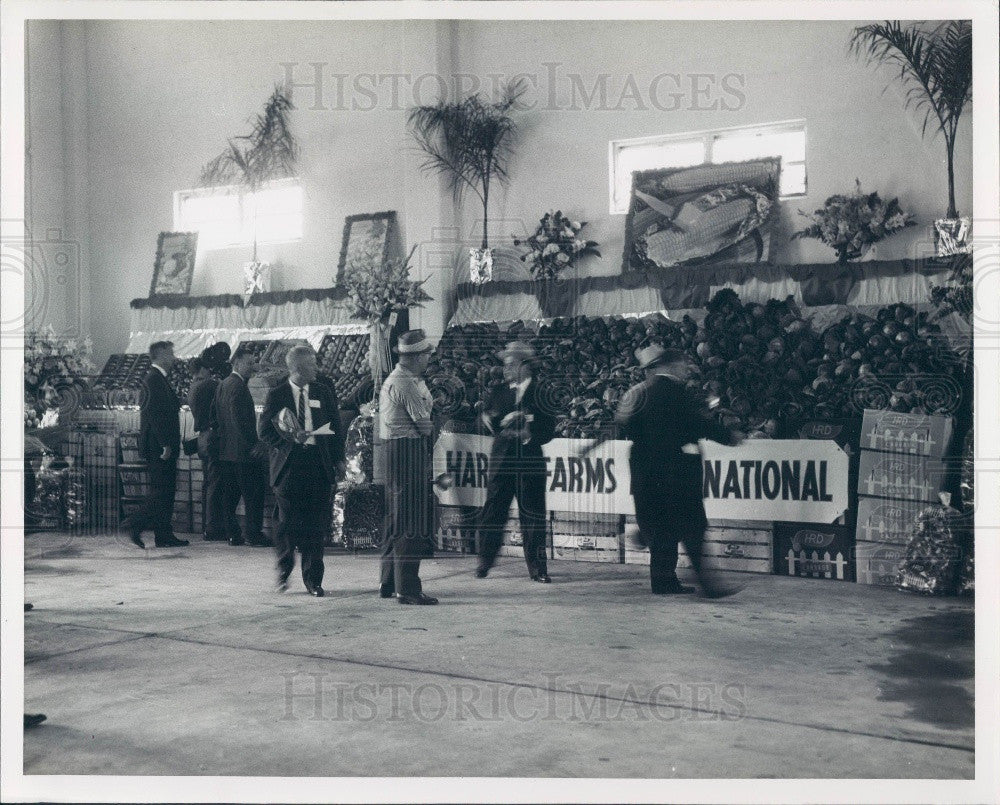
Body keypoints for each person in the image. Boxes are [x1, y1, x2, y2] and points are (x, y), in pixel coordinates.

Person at [585, 345, 742, 597]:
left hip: (644, 471)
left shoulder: (636, 394)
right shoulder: (676, 392)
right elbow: (697, 424)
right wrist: (728, 436)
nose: (685, 368)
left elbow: (617, 427)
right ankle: (707, 585)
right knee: (692, 525)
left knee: (661, 530)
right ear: (667, 366)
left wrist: (590, 448)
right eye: (681, 364)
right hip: (675, 472)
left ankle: (663, 581)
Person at [259, 345, 345, 596]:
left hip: (317, 466)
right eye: (312, 364)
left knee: (316, 526)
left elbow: (335, 429)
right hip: (289, 468)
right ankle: (284, 568)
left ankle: (313, 580)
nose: (317, 367)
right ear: (297, 368)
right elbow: (264, 431)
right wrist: (289, 440)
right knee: (287, 524)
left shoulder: (323, 392)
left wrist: (338, 460)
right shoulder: (277, 395)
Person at [475, 341, 556, 583]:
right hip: (501, 463)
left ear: (524, 365)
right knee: (492, 514)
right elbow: (486, 420)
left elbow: (548, 431)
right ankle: (484, 562)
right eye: (504, 364)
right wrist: (486, 419)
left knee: (533, 517)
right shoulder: (498, 391)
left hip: (529, 463)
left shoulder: (543, 393)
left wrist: (528, 433)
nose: (505, 369)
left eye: (510, 364)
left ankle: (538, 569)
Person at [378, 329, 440, 605]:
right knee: (409, 521)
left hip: (396, 451)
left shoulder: (403, 379)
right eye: (426, 354)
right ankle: (408, 588)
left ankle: (389, 581)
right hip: (407, 450)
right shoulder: (404, 383)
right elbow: (425, 425)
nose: (428, 358)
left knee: (396, 518)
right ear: (415, 356)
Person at [121, 341, 188, 549]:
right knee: (161, 491)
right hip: (160, 447)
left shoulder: (157, 379)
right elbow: (156, 414)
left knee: (165, 491)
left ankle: (163, 534)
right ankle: (134, 524)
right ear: (161, 355)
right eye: (171, 353)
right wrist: (166, 444)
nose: (174, 357)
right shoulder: (154, 379)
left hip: (161, 445)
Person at [211, 352, 268, 546]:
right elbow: (240, 420)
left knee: (231, 495)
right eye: (249, 363)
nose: (253, 366)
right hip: (243, 452)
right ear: (237, 363)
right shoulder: (238, 387)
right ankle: (253, 534)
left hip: (227, 451)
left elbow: (215, 415)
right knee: (253, 494)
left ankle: (233, 534)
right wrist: (254, 443)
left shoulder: (223, 384)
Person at [187, 354, 226, 541]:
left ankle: (206, 525)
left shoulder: (192, 387)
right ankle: (212, 528)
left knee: (208, 483)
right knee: (215, 484)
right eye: (208, 369)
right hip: (212, 437)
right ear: (203, 369)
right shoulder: (210, 385)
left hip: (202, 437)